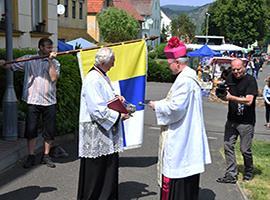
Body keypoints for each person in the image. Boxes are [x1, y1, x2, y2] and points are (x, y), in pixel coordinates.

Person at [148, 37, 211, 200]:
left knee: (178, 176)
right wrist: (162, 103)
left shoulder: (184, 80)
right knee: (187, 181)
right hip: (187, 134)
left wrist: (157, 106)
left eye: (169, 63)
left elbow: (176, 109)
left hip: (181, 137)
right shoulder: (189, 77)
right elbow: (176, 102)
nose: (168, 67)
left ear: (177, 62)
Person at [77, 47, 130, 200]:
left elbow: (106, 99)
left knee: (107, 168)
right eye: (112, 62)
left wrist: (116, 98)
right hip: (96, 130)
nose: (113, 65)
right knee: (96, 171)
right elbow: (97, 110)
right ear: (102, 62)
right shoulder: (93, 79)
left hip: (105, 130)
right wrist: (119, 115)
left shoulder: (102, 75)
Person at [0, 37, 60, 169]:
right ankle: (31, 155)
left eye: (51, 47)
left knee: (49, 131)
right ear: (40, 47)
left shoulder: (55, 62)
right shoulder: (29, 59)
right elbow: (12, 65)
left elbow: (54, 78)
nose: (51, 50)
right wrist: (4, 63)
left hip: (49, 101)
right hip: (33, 101)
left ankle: (46, 155)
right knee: (31, 130)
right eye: (48, 47)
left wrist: (50, 60)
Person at [216, 58, 258, 184]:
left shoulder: (250, 80)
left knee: (245, 149)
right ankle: (231, 174)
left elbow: (249, 100)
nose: (236, 72)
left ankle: (249, 170)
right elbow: (226, 97)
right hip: (232, 120)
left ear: (244, 66)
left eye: (238, 69)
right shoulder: (230, 77)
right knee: (228, 146)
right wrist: (223, 96)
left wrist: (231, 98)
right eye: (233, 69)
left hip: (246, 121)